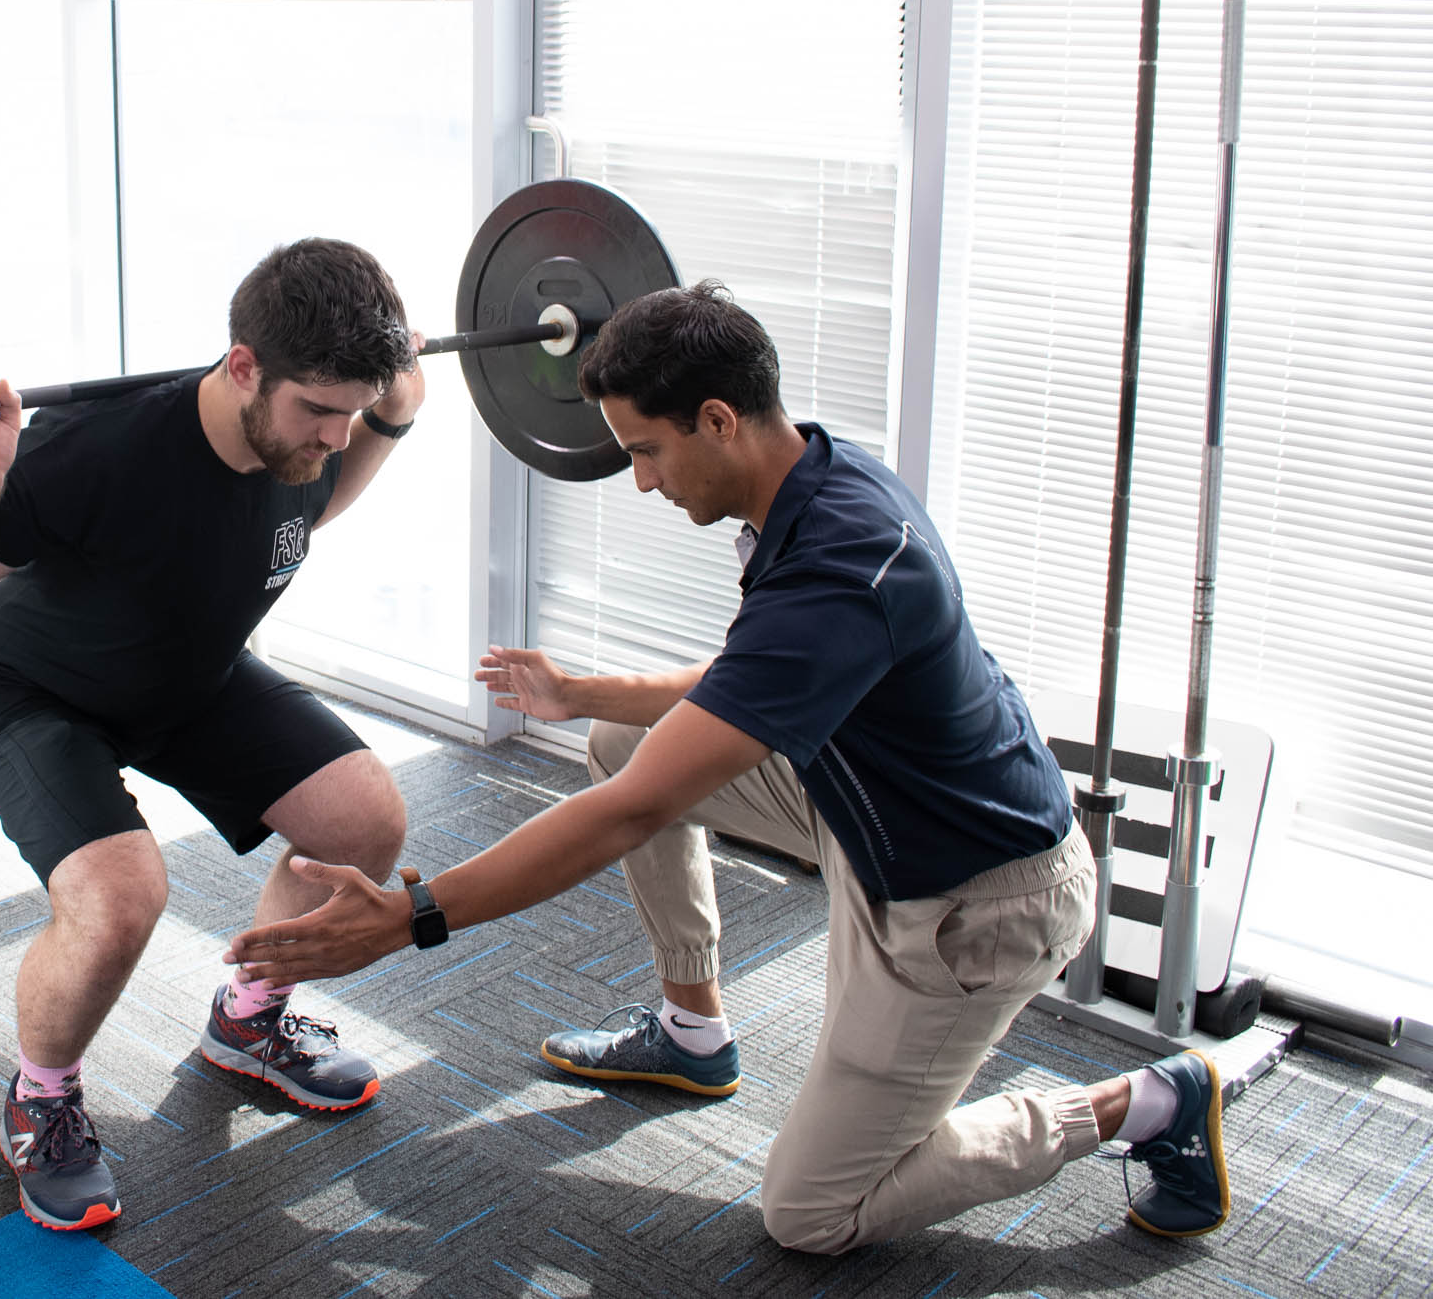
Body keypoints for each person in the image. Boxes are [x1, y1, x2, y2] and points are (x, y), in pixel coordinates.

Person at [223, 280, 1229, 1254]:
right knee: (625, 741)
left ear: (715, 419)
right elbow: (752, 679)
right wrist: (585, 696)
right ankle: (693, 1030)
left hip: (970, 896)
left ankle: (1143, 1102)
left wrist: (412, 915)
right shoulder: (810, 479)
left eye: (646, 452)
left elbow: (632, 812)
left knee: (812, 1213)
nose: (643, 481)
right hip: (865, 801)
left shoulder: (845, 561)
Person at [0, 238, 427, 1232]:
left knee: (362, 820)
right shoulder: (97, 445)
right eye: (318, 410)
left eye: (352, 410)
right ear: (240, 368)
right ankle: (40, 1099)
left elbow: (308, 509)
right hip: (34, 689)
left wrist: (389, 419)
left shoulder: (305, 437)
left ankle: (248, 1019)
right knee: (120, 896)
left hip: (188, 673)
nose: (332, 435)